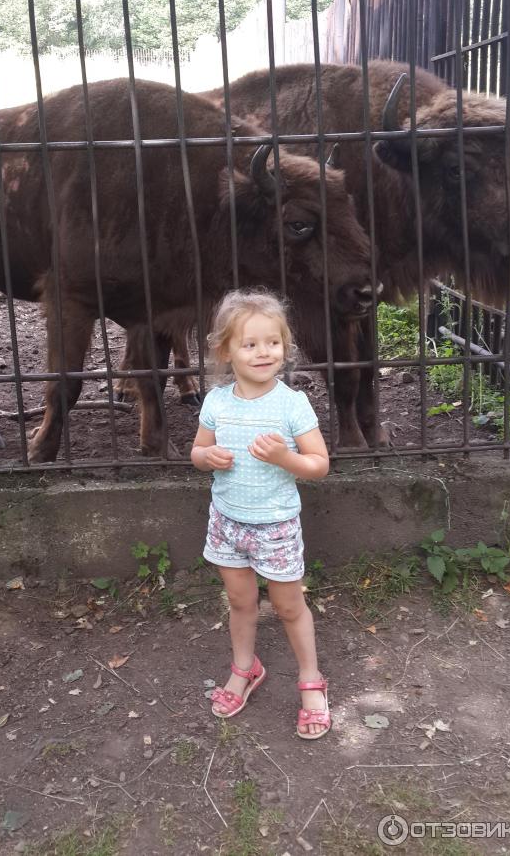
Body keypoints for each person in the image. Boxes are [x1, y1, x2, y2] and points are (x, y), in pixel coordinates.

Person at [190, 288, 331, 739]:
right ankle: (245, 669)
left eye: (272, 342)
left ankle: (311, 681)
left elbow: (319, 465)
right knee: (240, 602)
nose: (262, 352)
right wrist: (205, 458)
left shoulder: (292, 405)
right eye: (249, 344)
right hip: (228, 521)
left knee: (289, 607)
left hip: (275, 526)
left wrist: (286, 460)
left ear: (285, 347)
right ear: (226, 351)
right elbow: (197, 450)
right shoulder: (216, 402)